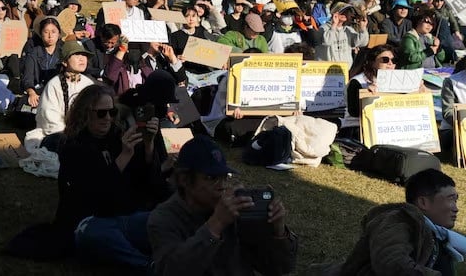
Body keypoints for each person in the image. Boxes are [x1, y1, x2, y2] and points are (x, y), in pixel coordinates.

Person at [148, 135, 298, 275]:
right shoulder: (164, 218)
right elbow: (170, 270)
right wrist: (216, 225)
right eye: (211, 178)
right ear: (184, 180)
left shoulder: (236, 213)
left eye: (224, 177)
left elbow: (278, 267)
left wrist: (279, 233)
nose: (222, 186)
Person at [56, 84, 168, 268]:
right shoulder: (73, 146)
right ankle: (150, 267)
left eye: (112, 112)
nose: (108, 118)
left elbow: (145, 183)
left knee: (162, 218)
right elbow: (94, 195)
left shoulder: (116, 136)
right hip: (92, 220)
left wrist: (148, 145)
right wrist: (124, 155)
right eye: (101, 113)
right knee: (92, 234)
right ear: (85, 113)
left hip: (126, 215)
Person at [334, 168, 460, 274]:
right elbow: (391, 262)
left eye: (455, 201)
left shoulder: (438, 235)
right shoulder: (398, 221)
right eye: (450, 199)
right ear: (423, 202)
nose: (456, 209)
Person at [30, 41, 96, 152]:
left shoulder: (89, 84)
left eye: (84, 55)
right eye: (77, 55)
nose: (82, 59)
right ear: (65, 62)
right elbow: (49, 119)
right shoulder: (54, 85)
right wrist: (70, 134)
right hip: (61, 134)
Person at [342, 44, 398, 139]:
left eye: (394, 60)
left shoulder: (398, 80)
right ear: (372, 62)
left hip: (385, 127)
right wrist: (367, 96)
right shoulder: (358, 81)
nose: (390, 63)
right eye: (385, 60)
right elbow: (354, 112)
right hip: (357, 127)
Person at [22, 17, 63, 108]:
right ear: (41, 34)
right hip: (38, 90)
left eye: (53, 32)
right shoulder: (34, 52)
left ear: (59, 34)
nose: (50, 36)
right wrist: (31, 92)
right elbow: (28, 76)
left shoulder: (64, 52)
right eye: (46, 32)